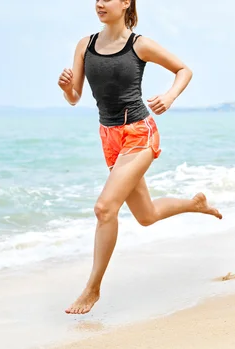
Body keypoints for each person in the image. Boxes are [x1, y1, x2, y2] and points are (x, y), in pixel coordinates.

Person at [58, 0, 222, 315]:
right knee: (146, 216)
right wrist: (66, 88)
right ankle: (194, 204)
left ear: (125, 3)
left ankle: (92, 289)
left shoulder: (139, 45)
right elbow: (75, 97)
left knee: (105, 208)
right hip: (109, 136)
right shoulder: (85, 45)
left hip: (139, 132)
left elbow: (183, 69)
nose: (100, 3)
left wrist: (170, 96)